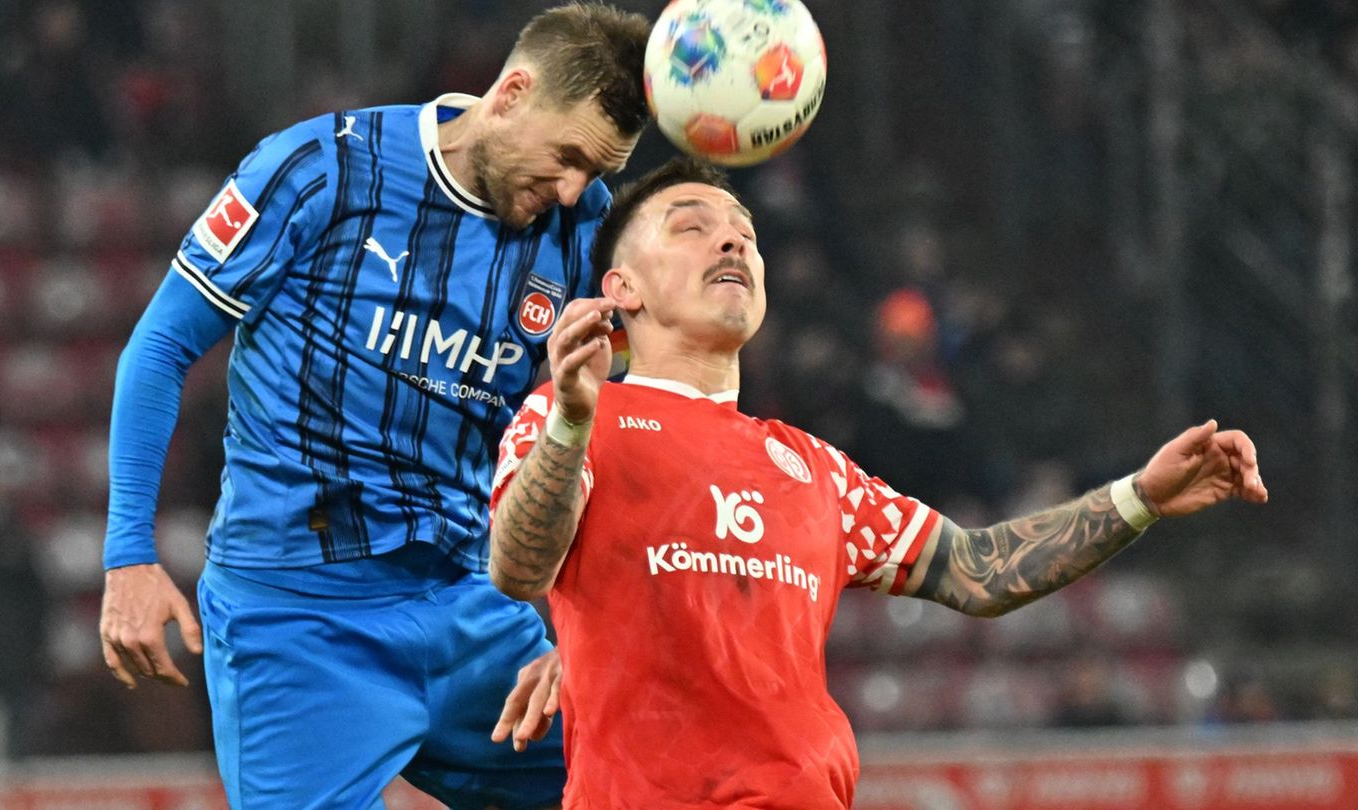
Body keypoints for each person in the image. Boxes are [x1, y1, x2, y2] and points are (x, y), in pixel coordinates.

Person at [487, 158, 1269, 809]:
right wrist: (573, 423)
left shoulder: (812, 466)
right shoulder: (575, 415)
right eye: (692, 226)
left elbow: (976, 570)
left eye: (745, 234)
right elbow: (519, 567)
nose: (731, 239)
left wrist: (1140, 497)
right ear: (623, 288)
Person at [98, 4, 650, 807]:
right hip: (300, 620)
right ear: (511, 94)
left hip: (472, 609)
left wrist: (584, 629)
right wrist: (128, 556)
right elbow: (159, 348)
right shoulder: (318, 170)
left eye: (596, 171)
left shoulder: (583, 227)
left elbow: (623, 424)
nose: (573, 188)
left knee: (642, 781)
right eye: (568, 156)